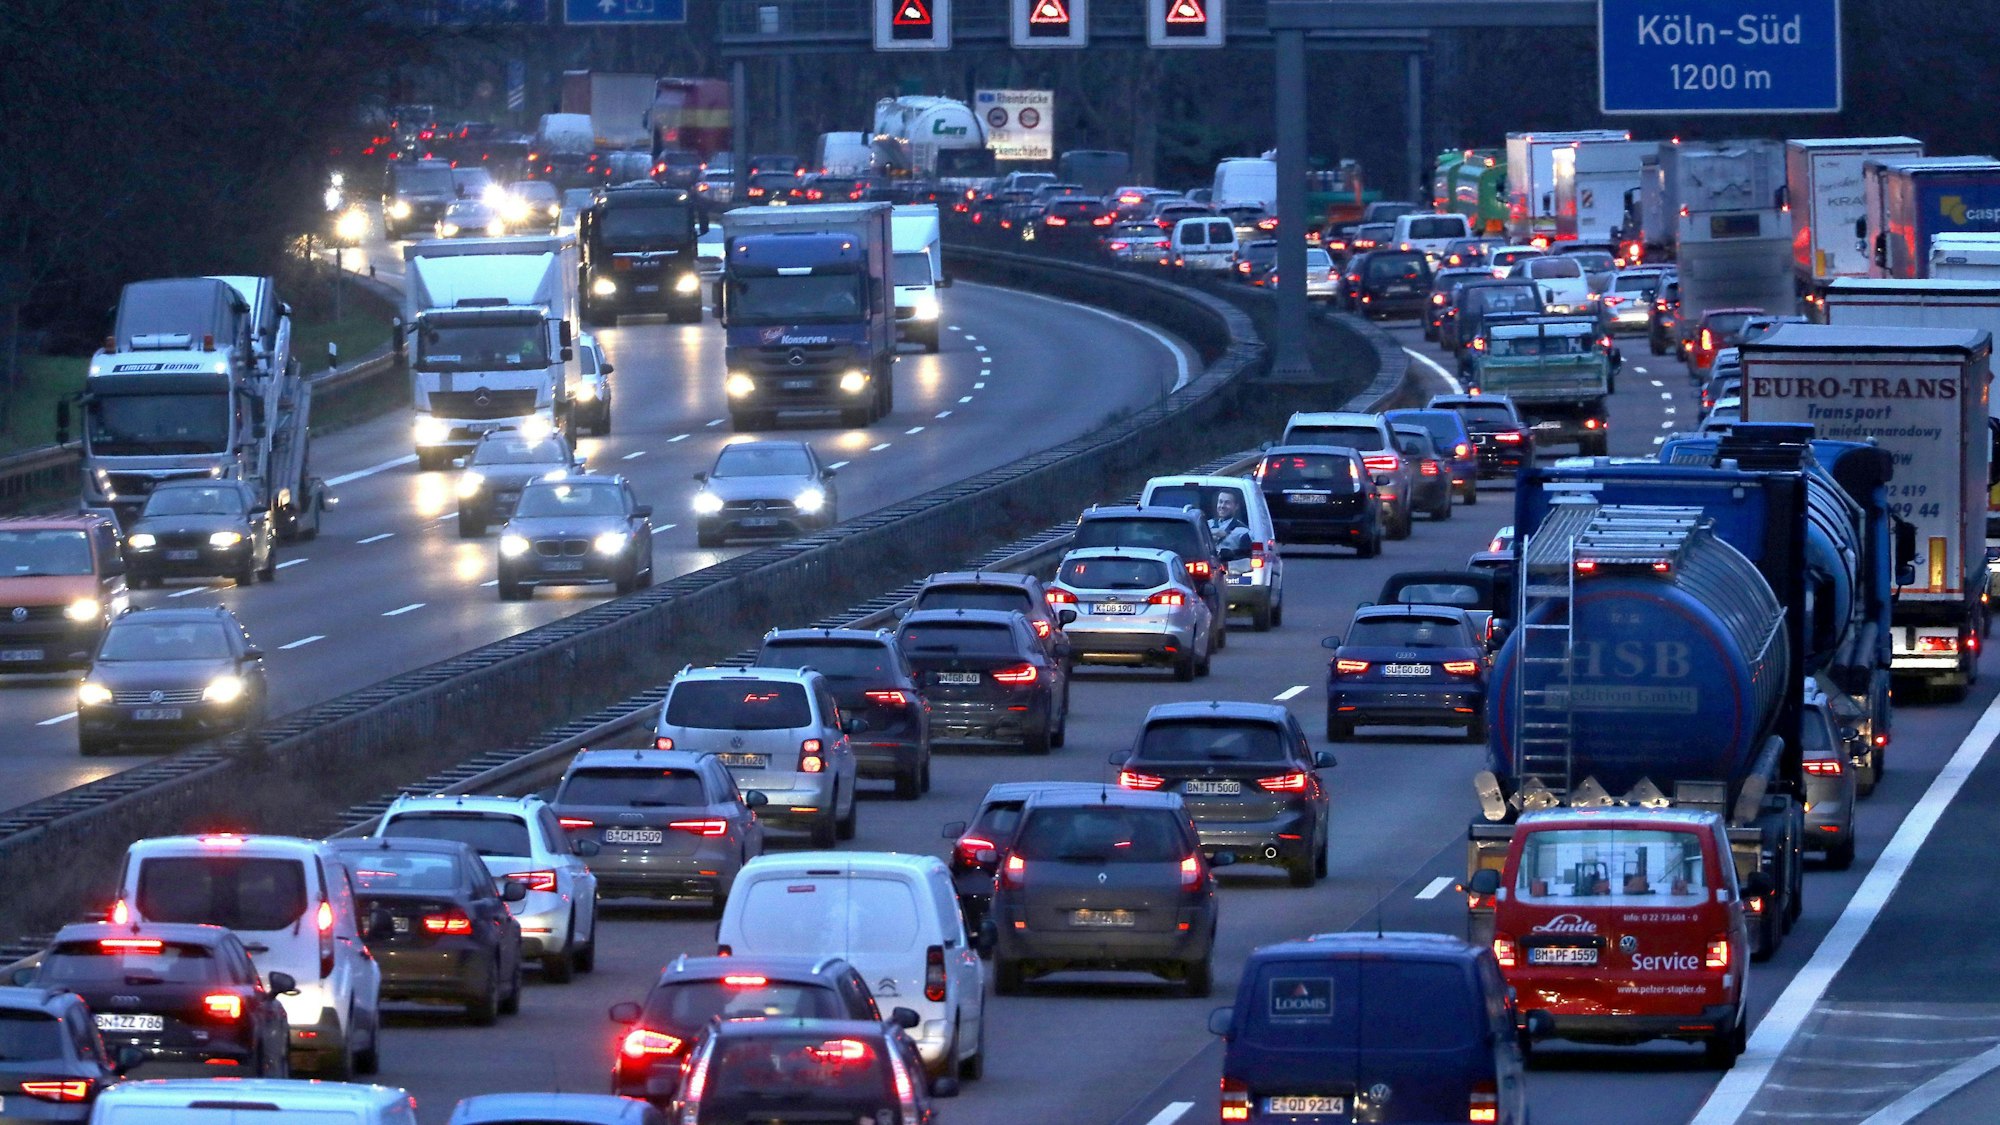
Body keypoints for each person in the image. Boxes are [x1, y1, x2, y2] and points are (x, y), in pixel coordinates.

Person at [1208, 490, 1252, 558]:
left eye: (1227, 503)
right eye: (1220, 502)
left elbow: (1245, 559)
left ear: (1236, 506)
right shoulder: (1207, 524)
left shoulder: (1243, 532)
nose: (1222, 506)